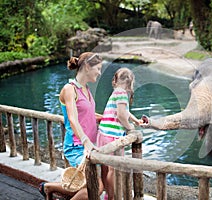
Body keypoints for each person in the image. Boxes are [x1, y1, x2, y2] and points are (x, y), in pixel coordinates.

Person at [38, 52, 104, 200]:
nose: (99, 73)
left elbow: (89, 115)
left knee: (84, 185)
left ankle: (48, 187)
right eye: (98, 68)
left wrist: (113, 118)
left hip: (89, 145)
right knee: (96, 186)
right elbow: (73, 119)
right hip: (77, 145)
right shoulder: (69, 89)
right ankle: (48, 188)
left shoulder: (86, 89)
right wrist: (86, 142)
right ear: (87, 66)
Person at [96, 68, 143, 200]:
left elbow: (124, 111)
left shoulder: (116, 92)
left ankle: (107, 193)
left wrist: (135, 120)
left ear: (115, 80)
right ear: (130, 82)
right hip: (113, 136)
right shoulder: (122, 93)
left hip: (103, 134)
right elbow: (121, 115)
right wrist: (130, 127)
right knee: (113, 169)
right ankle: (111, 197)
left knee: (105, 166)